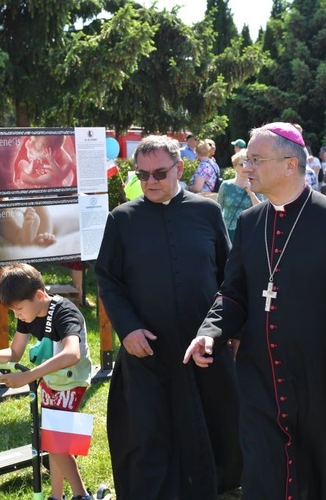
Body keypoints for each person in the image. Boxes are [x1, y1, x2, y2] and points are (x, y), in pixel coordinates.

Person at [184, 122, 326, 499]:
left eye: (257, 160)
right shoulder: (249, 222)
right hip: (260, 378)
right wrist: (209, 332)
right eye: (248, 161)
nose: (247, 168)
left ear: (290, 164)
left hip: (322, 378)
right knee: (265, 471)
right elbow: (234, 293)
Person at [95, 135, 241, 499]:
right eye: (142, 175)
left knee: (216, 420)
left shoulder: (207, 212)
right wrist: (127, 330)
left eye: (159, 173)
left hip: (203, 345)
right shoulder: (122, 219)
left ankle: (217, 483)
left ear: (179, 168)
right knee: (150, 430)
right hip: (148, 346)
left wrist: (229, 330)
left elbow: (230, 276)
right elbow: (108, 282)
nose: (151, 182)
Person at [0, 263, 93, 500]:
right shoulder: (29, 312)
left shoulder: (65, 312)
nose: (17, 316)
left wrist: (28, 376)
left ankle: (81, 495)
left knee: (56, 443)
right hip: (51, 381)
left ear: (39, 296)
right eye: (13, 311)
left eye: (19, 309)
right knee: (55, 442)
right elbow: (14, 353)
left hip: (72, 382)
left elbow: (71, 353)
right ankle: (57, 496)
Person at [217, 149, 263, 241]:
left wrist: (250, 192)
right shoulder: (226, 185)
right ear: (234, 166)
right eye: (241, 165)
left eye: (247, 164)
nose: (245, 168)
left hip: (248, 230)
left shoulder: (256, 186)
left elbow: (261, 210)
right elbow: (218, 208)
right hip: (228, 231)